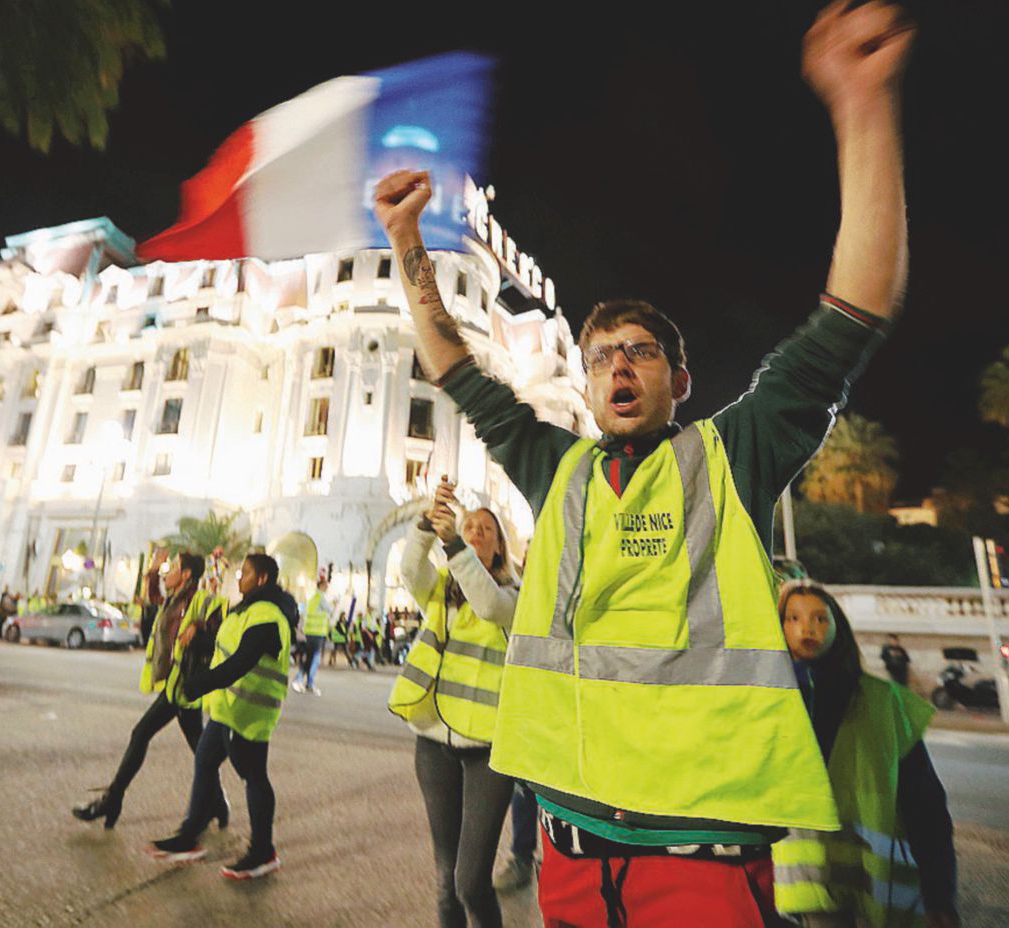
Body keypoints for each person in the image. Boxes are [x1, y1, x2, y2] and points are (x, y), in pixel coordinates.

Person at [372, 3, 914, 923]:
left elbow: (854, 313)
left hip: (701, 856)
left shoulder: (733, 455)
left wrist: (863, 105)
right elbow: (453, 364)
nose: (617, 367)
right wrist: (406, 243)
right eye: (599, 358)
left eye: (640, 353)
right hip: (570, 848)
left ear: (680, 381)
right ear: (584, 386)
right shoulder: (557, 467)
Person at [773, 582, 959, 928]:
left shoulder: (882, 701)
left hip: (874, 884)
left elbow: (925, 801)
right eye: (793, 618)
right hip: (799, 888)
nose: (807, 628)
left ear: (838, 628)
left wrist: (939, 890)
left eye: (820, 618)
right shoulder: (768, 701)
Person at [389, 479, 519, 928]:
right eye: (470, 526)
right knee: (446, 879)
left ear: (500, 547)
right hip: (433, 741)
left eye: (486, 529)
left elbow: (487, 605)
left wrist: (454, 546)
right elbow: (410, 570)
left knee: (470, 881)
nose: (476, 531)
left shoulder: (516, 594)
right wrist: (427, 523)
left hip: (488, 750)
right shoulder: (441, 586)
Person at [147, 553, 297, 881]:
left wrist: (198, 685)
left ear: (262, 579)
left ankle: (263, 852)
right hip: (227, 709)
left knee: (254, 777)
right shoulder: (245, 609)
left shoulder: (268, 615)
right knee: (204, 761)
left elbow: (241, 661)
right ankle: (189, 836)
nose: (239, 577)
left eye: (246, 573)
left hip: (249, 713)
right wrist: (199, 638)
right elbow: (224, 642)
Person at [72, 553, 227, 829]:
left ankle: (112, 799)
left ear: (187, 574)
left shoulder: (198, 601)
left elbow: (218, 634)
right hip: (176, 685)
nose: (169, 572)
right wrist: (153, 572)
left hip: (184, 685)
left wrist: (198, 627)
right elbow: (154, 599)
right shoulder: (174, 600)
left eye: (174, 567)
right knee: (199, 749)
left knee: (141, 733)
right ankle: (218, 804)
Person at [293, 577, 333, 695]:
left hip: (310, 632)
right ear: (320, 586)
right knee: (314, 659)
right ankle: (302, 680)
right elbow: (329, 610)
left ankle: (306, 681)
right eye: (325, 585)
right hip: (317, 632)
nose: (327, 587)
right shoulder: (321, 598)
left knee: (311, 658)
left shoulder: (312, 598)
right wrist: (334, 604)